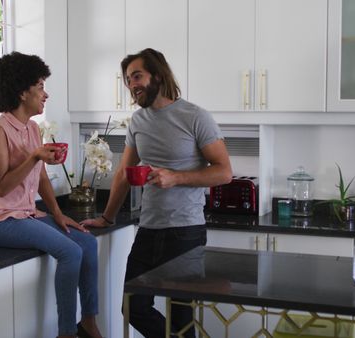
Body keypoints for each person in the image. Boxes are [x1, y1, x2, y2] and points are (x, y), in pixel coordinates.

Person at [82, 48, 232, 338]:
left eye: (137, 76)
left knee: (181, 316)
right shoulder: (138, 121)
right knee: (133, 306)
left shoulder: (195, 116)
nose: (131, 85)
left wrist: (175, 177)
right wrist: (107, 218)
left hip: (185, 231)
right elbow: (124, 175)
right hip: (149, 229)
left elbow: (224, 171)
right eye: (127, 80)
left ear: (158, 75)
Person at [0, 52, 103, 338]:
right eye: (41, 86)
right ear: (22, 92)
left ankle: (89, 321)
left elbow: (40, 176)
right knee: (70, 251)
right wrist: (34, 158)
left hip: (25, 214)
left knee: (87, 243)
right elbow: (1, 187)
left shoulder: (31, 128)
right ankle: (66, 332)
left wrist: (57, 213)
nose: (46, 94)